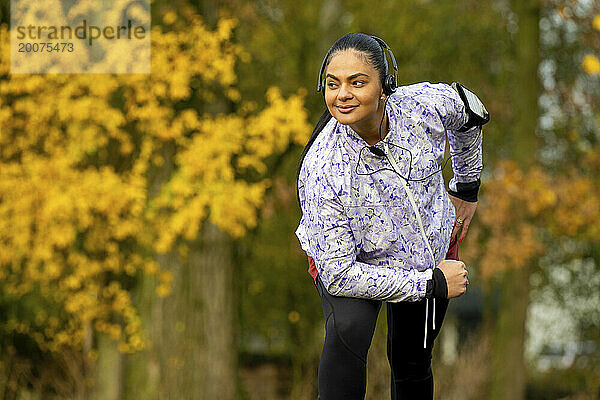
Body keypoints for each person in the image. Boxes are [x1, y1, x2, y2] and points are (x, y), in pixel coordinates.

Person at [295, 33, 487, 400]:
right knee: (349, 330)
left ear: (386, 87)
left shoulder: (421, 107)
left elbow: (471, 111)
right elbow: (339, 274)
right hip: (354, 263)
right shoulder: (322, 169)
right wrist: (429, 284)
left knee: (412, 362)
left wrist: (467, 185)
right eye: (333, 84)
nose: (342, 94)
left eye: (357, 82)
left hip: (426, 251)